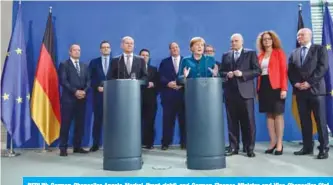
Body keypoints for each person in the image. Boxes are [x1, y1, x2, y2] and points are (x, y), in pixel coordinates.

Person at [288, 28, 329, 159]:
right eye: (298, 35)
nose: (299, 37)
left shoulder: (320, 49)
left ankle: (323, 148)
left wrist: (309, 82)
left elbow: (322, 68)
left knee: (320, 120)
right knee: (305, 121)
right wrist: (295, 83)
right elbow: (291, 71)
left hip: (316, 91)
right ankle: (307, 147)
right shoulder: (294, 53)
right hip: (300, 92)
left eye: (302, 34)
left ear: (310, 36)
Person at [219, 33, 261, 157]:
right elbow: (221, 72)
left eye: (236, 41)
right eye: (232, 41)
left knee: (248, 122)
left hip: (246, 94)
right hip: (230, 94)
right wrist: (227, 74)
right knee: (232, 122)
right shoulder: (226, 55)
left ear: (242, 42)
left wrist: (242, 73)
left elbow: (257, 70)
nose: (233, 43)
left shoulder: (250, 53)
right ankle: (233, 147)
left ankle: (249, 148)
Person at [256, 31, 288, 155]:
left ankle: (279, 143)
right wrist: (257, 91)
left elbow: (283, 71)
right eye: (264, 39)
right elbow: (258, 75)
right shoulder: (260, 56)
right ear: (261, 42)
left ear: (273, 40)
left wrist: (284, 89)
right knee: (269, 115)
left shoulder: (279, 53)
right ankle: (272, 142)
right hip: (263, 86)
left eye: (269, 39)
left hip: (276, 86)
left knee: (278, 114)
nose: (267, 41)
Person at [58, 44, 90, 156]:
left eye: (79, 50)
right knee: (66, 124)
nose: (77, 52)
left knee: (79, 124)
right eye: (75, 50)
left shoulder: (84, 65)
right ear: (70, 52)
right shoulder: (64, 64)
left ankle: (77, 146)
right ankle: (63, 148)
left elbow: (88, 81)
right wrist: (75, 91)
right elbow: (63, 81)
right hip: (68, 100)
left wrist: (84, 91)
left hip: (82, 99)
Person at [159, 42, 186, 150]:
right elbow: (160, 76)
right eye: (172, 48)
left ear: (179, 49)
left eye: (176, 47)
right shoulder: (164, 62)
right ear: (169, 50)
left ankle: (184, 143)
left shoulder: (186, 61)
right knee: (167, 121)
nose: (174, 49)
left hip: (183, 96)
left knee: (184, 121)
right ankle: (166, 143)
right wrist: (168, 83)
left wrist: (182, 84)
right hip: (168, 97)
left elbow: (190, 75)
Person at [88, 40, 112, 152]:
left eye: (107, 47)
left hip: (113, 98)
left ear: (110, 49)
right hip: (98, 96)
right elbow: (89, 78)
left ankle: (113, 144)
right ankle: (96, 144)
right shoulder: (94, 62)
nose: (106, 49)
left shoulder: (116, 62)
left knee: (113, 122)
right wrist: (97, 86)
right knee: (97, 121)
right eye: (103, 47)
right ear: (100, 50)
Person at [139, 49, 159, 149]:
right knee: (137, 122)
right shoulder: (135, 69)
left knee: (150, 122)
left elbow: (158, 83)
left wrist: (154, 84)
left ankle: (149, 143)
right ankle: (138, 142)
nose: (145, 57)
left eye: (147, 55)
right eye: (143, 55)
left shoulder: (154, 69)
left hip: (151, 100)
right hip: (137, 100)